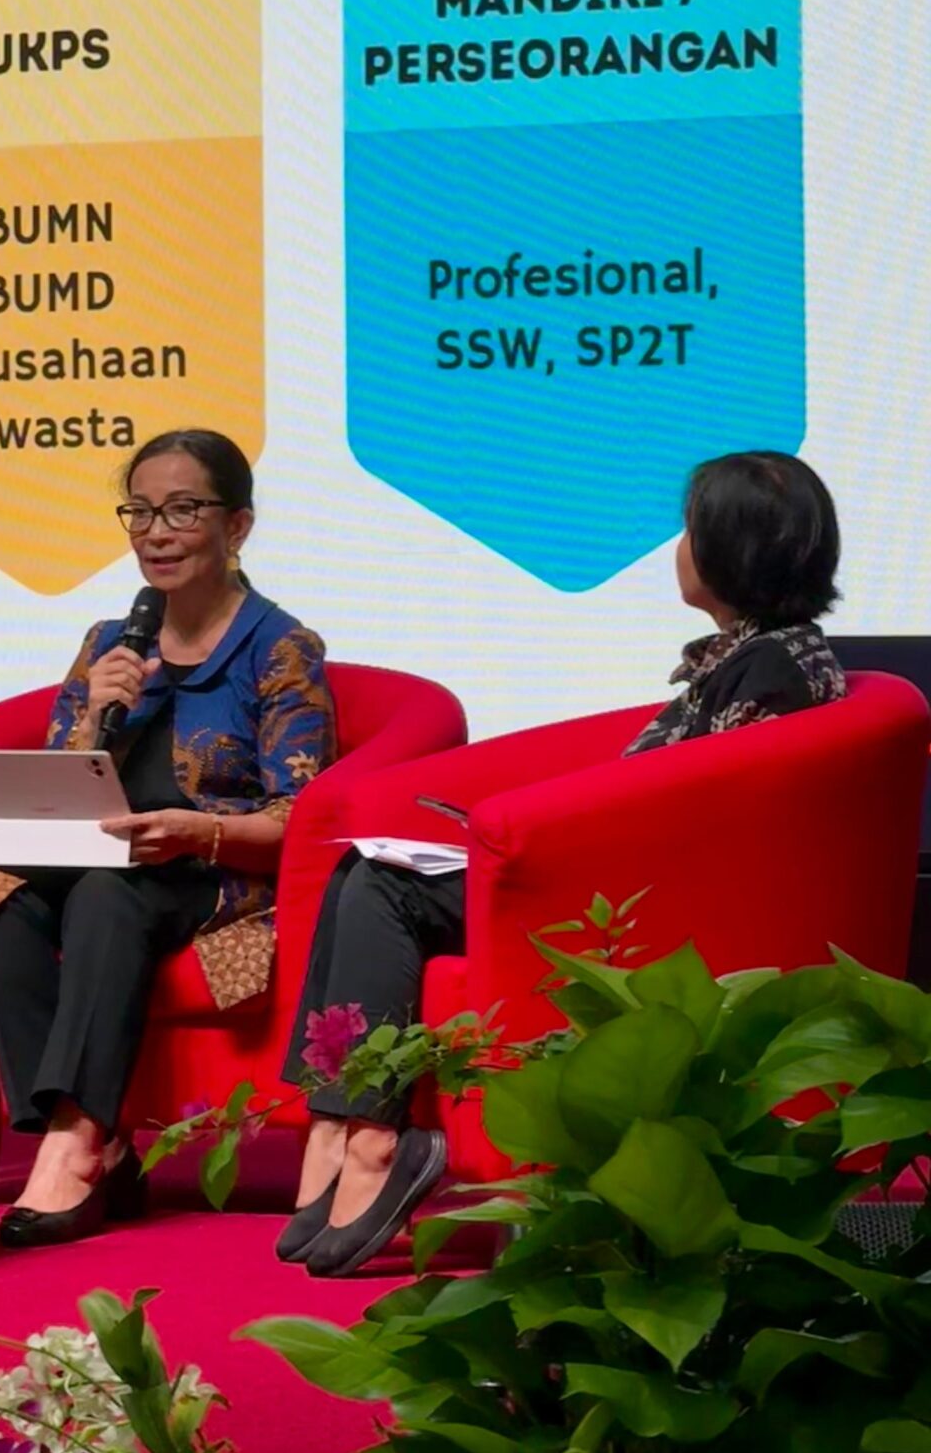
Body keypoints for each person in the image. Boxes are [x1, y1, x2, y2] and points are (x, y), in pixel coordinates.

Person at [280, 451, 845, 1280]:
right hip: (616, 872)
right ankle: (337, 1124)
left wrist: (549, 835)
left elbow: (702, 819)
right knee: (360, 872)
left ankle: (372, 1138)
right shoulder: (757, 654)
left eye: (690, 531)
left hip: (639, 905)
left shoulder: (773, 669)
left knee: (384, 886)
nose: (678, 550)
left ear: (734, 548)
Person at [0, 429, 335, 1250]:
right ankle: (90, 1135)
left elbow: (303, 816)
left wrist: (201, 832)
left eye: (183, 511)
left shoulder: (281, 648)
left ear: (237, 526)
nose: (157, 533)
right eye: (141, 512)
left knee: (106, 895)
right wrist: (94, 715)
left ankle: (78, 1142)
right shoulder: (108, 641)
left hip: (212, 868)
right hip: (108, 850)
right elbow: (60, 785)